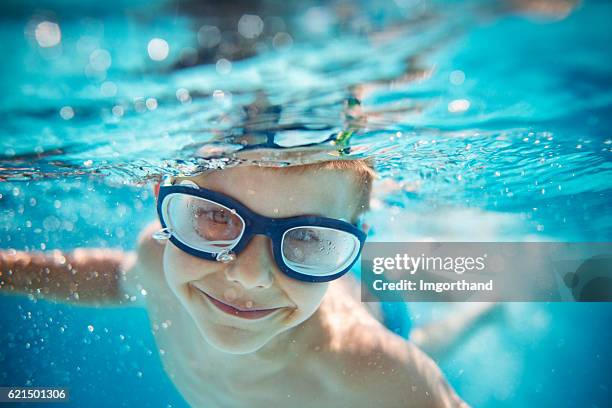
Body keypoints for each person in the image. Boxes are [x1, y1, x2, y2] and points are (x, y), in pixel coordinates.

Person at [1, 158, 468, 407]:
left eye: (308, 235)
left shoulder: (371, 368)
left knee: (428, 345)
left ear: (355, 241)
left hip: (377, 314)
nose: (250, 276)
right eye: (213, 216)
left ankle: (478, 307)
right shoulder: (157, 259)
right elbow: (117, 278)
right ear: (164, 202)